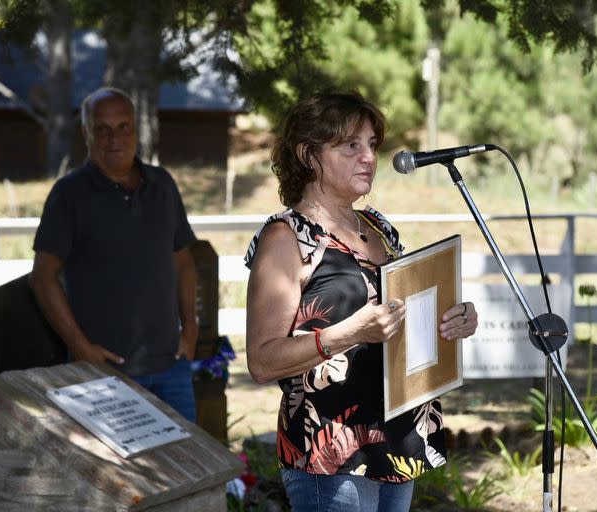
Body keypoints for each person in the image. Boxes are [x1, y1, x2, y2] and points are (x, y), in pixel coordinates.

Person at [244, 91, 479, 511]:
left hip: (396, 439)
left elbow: (398, 315)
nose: (368, 157)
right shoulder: (286, 236)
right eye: (350, 145)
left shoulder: (379, 227)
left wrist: (451, 320)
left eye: (371, 144)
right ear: (308, 155)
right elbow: (262, 362)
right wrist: (349, 332)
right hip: (329, 456)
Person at [31, 87, 199, 422]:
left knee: (190, 472)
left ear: (136, 129)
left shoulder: (162, 185)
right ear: (86, 133)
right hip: (103, 375)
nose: (114, 139)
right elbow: (42, 277)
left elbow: (183, 263)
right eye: (102, 129)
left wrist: (191, 329)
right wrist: (80, 347)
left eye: (123, 127)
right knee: (117, 476)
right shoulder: (69, 194)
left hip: (171, 368)